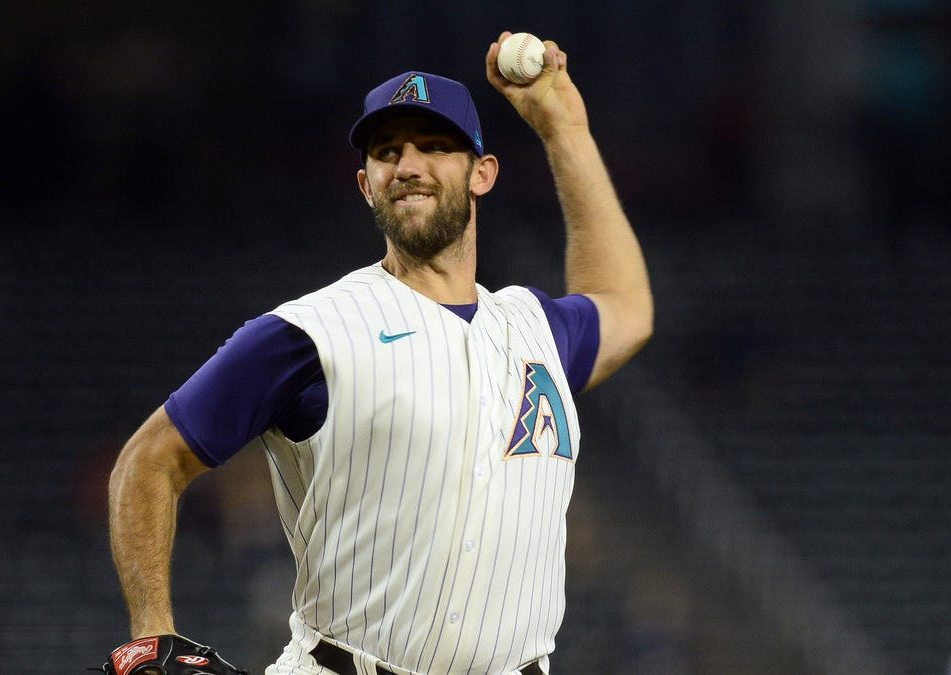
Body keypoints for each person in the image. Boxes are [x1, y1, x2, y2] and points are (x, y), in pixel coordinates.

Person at [108, 31, 653, 675]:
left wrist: (565, 130)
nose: (409, 165)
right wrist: (153, 633)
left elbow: (625, 305)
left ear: (483, 173)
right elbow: (147, 461)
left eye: (435, 146)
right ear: (367, 184)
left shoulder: (535, 326)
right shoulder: (309, 332)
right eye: (387, 151)